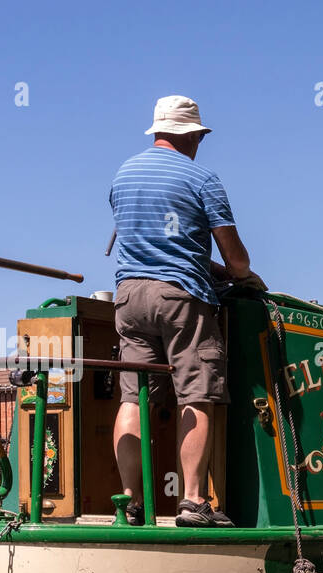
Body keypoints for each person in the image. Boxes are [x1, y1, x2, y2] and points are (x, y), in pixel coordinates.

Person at [109, 95, 253, 527]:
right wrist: (238, 274)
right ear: (193, 135)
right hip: (181, 298)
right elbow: (237, 260)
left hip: (129, 297)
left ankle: (129, 501)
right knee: (197, 393)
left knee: (133, 398)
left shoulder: (123, 174)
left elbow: (152, 243)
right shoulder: (202, 178)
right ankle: (193, 502)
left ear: (156, 132)